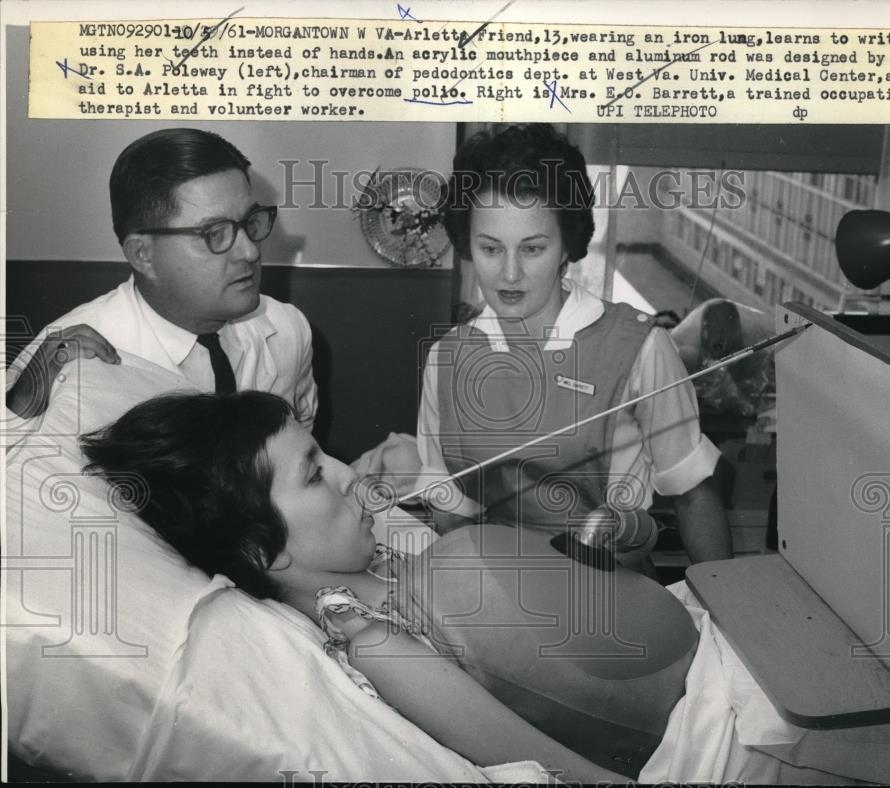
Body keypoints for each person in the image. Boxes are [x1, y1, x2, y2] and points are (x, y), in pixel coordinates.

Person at [80, 390, 698, 782]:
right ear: (260, 546)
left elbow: (611, 582)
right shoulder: (376, 643)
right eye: (315, 474)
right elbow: (564, 769)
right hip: (705, 723)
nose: (350, 475)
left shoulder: (394, 564)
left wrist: (621, 531)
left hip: (700, 647)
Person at [408, 124, 731, 565]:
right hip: (500, 590)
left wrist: (723, 613)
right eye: (490, 248)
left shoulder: (641, 346)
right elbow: (453, 513)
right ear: (467, 244)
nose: (509, 274)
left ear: (566, 246)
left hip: (612, 594)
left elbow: (693, 495)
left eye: (532, 249)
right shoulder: (448, 358)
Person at [5, 127, 316, 431]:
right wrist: (21, 407)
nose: (250, 251)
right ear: (143, 255)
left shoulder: (288, 328)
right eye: (214, 233)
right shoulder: (65, 364)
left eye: (250, 221)